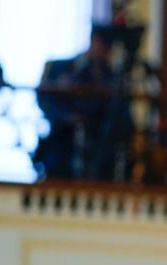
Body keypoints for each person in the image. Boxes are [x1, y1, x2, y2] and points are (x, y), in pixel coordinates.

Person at [34, 24, 116, 179]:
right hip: (62, 143)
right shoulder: (62, 67)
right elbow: (43, 98)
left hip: (94, 148)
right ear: (94, 41)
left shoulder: (109, 76)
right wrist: (66, 117)